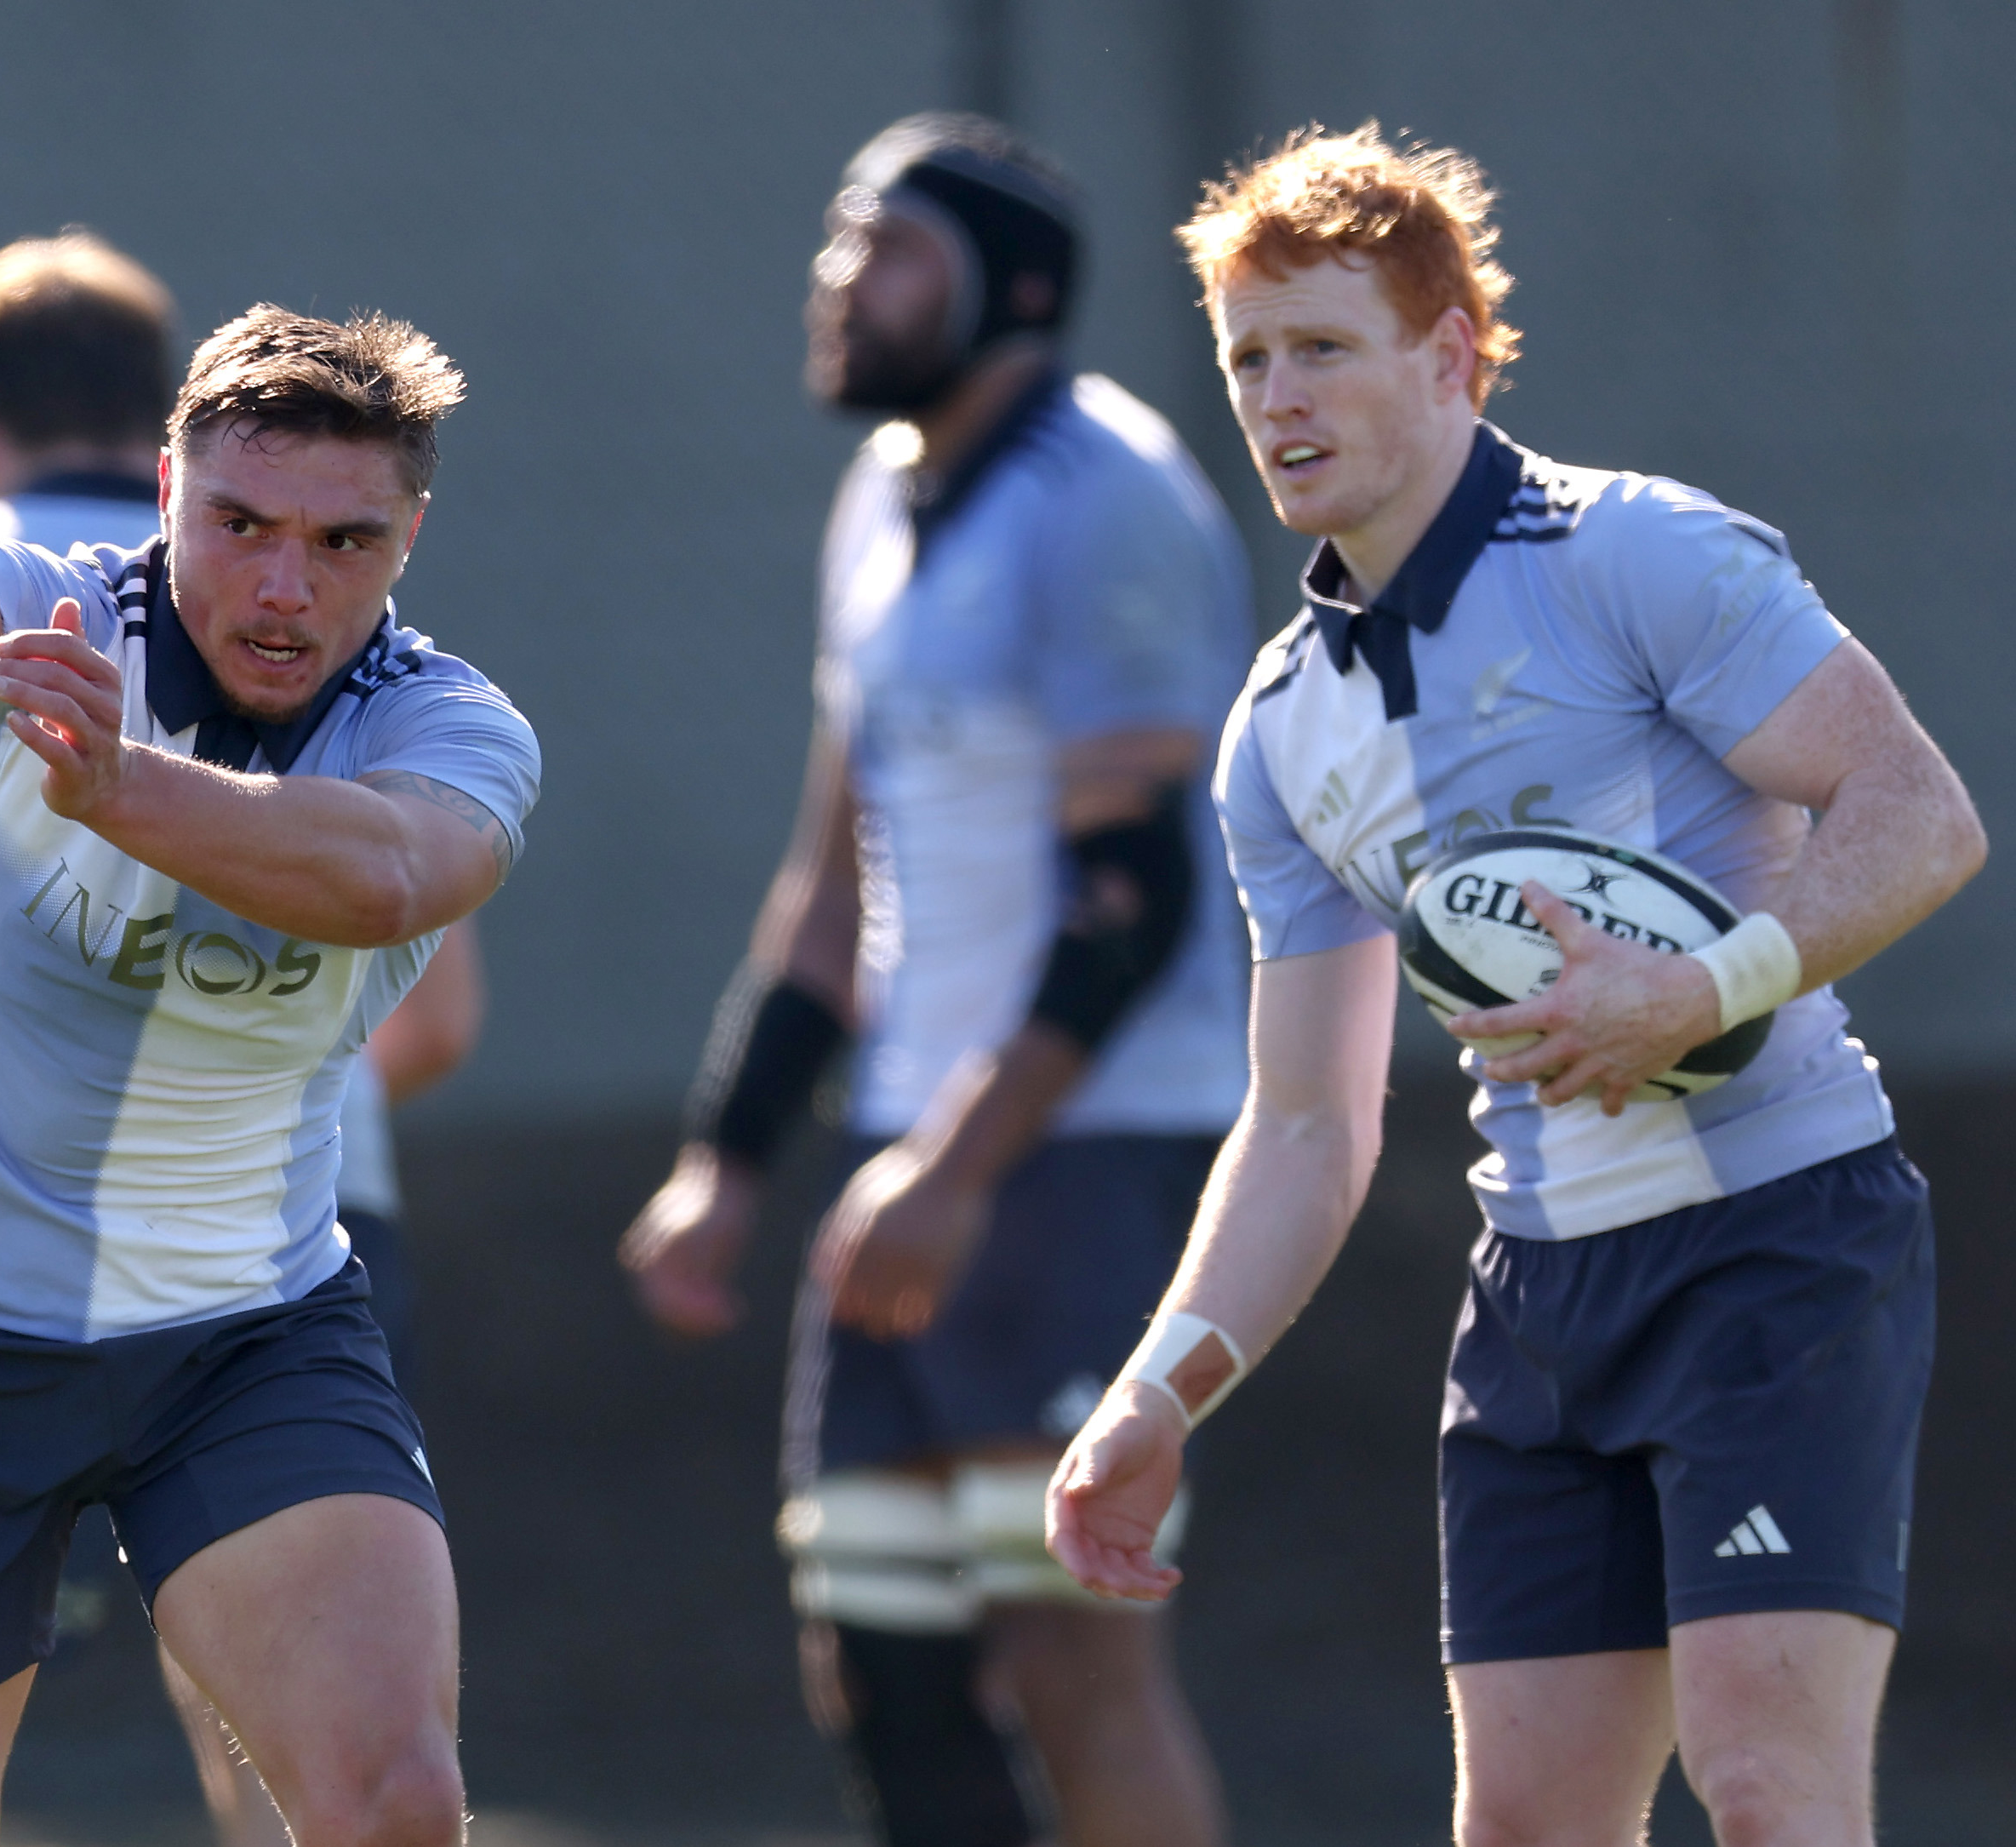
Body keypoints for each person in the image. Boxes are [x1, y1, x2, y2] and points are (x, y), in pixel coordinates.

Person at [1048, 126, 1985, 1847]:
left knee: (1770, 1791)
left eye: (1318, 345)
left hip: (1774, 1247)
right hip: (1538, 1305)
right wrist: (1155, 1386)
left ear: (1449, 354)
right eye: (1243, 358)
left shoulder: (1637, 555)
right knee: (1526, 1829)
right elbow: (1307, 1119)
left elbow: (1919, 814)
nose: (1273, 395)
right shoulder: (1278, 733)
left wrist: (1700, 987)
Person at [0, 300, 538, 1847]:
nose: (281, 584)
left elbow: (388, 878)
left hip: (247, 1336)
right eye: (239, 522)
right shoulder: (55, 615)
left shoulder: (448, 722)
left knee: (396, 1805)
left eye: (344, 541)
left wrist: (122, 789)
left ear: (410, 538)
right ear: (168, 489)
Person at [620, 113, 1248, 1847]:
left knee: (1075, 1658)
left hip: (1076, 1157)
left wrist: (956, 1170)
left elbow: (1132, 895)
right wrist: (724, 1161)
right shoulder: (876, 499)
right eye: (835, 240)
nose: (839, 278)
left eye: (888, 247)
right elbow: (833, 881)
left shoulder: (1108, 495)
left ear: (1017, 292)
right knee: (880, 1662)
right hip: (907, 1153)